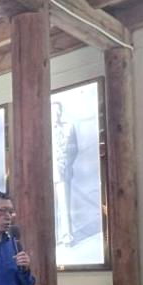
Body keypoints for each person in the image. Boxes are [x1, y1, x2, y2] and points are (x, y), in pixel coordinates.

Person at [51, 102, 78, 246]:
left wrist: (66, 163)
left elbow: (74, 149)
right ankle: (53, 238)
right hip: (47, 174)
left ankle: (67, 236)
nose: (56, 114)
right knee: (50, 207)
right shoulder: (43, 130)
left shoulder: (69, 127)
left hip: (63, 171)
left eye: (58, 111)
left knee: (64, 206)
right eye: (53, 111)